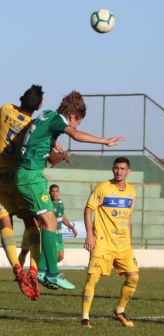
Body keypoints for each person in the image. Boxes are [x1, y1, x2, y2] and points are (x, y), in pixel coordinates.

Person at [15, 91, 124, 291]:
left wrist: (53, 142)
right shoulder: (59, 121)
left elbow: (37, 132)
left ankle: (42, 270)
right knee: (49, 223)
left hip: (31, 175)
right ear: (72, 116)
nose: (75, 126)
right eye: (78, 122)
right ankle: (51, 273)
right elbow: (75, 135)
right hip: (31, 176)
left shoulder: (47, 115)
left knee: (48, 224)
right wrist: (105, 141)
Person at [81, 157, 139, 329]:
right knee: (93, 278)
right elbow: (88, 210)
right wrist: (89, 235)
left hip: (123, 244)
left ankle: (119, 311)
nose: (119, 171)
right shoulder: (103, 187)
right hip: (103, 242)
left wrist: (130, 240)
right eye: (116, 168)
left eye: (122, 169)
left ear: (129, 171)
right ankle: (85, 318)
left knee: (134, 277)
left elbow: (128, 218)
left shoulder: (132, 192)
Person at [0, 85, 44, 300]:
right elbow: (47, 156)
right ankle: (34, 270)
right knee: (32, 223)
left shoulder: (6, 109)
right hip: (19, 178)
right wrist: (62, 155)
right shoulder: (33, 126)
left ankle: (17, 268)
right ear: (40, 106)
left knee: (5, 223)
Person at [18, 184, 77, 272]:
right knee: (28, 251)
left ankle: (40, 269)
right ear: (49, 193)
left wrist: (71, 227)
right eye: (53, 191)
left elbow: (62, 216)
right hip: (50, 233)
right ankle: (33, 271)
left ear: (59, 192)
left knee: (60, 257)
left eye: (56, 191)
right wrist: (37, 224)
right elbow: (39, 214)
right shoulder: (47, 203)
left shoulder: (60, 203)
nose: (55, 193)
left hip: (59, 235)